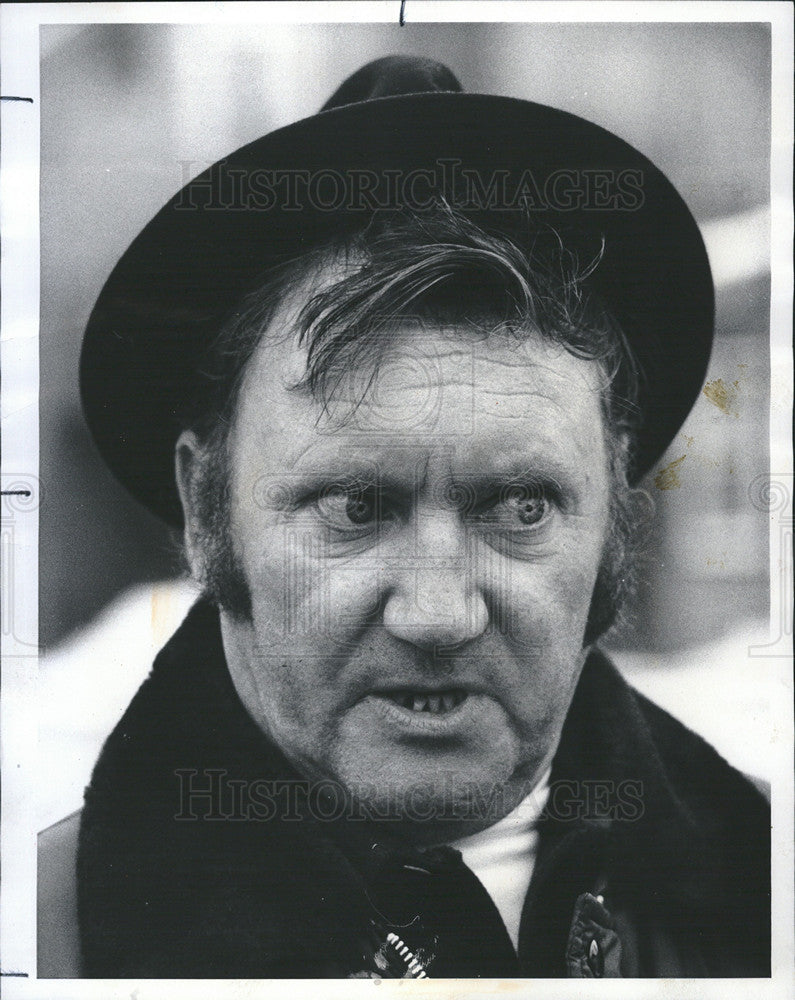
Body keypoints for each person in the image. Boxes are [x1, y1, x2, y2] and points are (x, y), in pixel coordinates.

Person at [38, 55, 769, 978]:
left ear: (615, 516)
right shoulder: (41, 944)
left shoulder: (762, 893)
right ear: (203, 507)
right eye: (356, 506)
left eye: (521, 507)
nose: (437, 614)